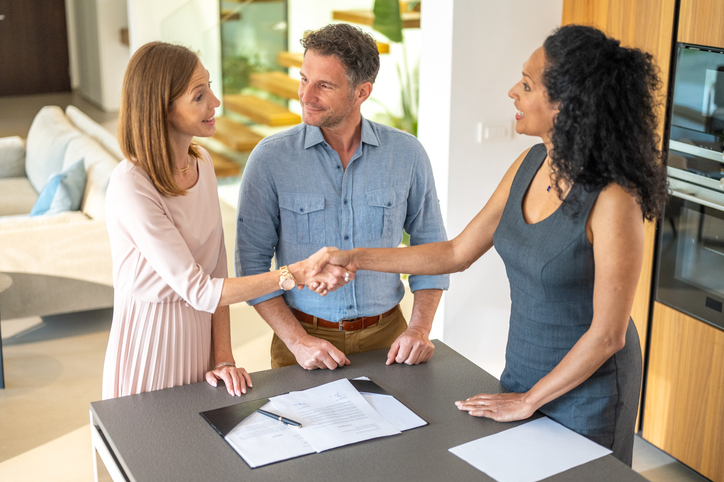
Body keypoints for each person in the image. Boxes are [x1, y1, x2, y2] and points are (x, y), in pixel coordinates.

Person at [315, 25, 668, 465]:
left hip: (588, 386)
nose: (511, 93)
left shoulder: (615, 198)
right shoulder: (531, 163)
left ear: (567, 104)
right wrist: (355, 258)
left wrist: (530, 400)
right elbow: (456, 253)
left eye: (526, 84)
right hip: (524, 367)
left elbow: (608, 335)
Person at [101, 42, 349, 400]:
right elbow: (199, 289)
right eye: (199, 96)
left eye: (210, 88)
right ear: (161, 108)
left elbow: (217, 271)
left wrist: (223, 357)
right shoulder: (132, 186)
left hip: (199, 342)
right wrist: (294, 274)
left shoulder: (201, 163)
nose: (215, 103)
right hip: (151, 345)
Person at [235, 23, 449, 370]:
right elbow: (250, 267)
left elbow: (435, 253)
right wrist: (298, 341)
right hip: (300, 343)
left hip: (389, 342)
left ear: (361, 92)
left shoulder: (407, 155)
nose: (306, 95)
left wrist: (420, 328)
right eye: (304, 79)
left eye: (324, 85)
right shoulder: (270, 159)